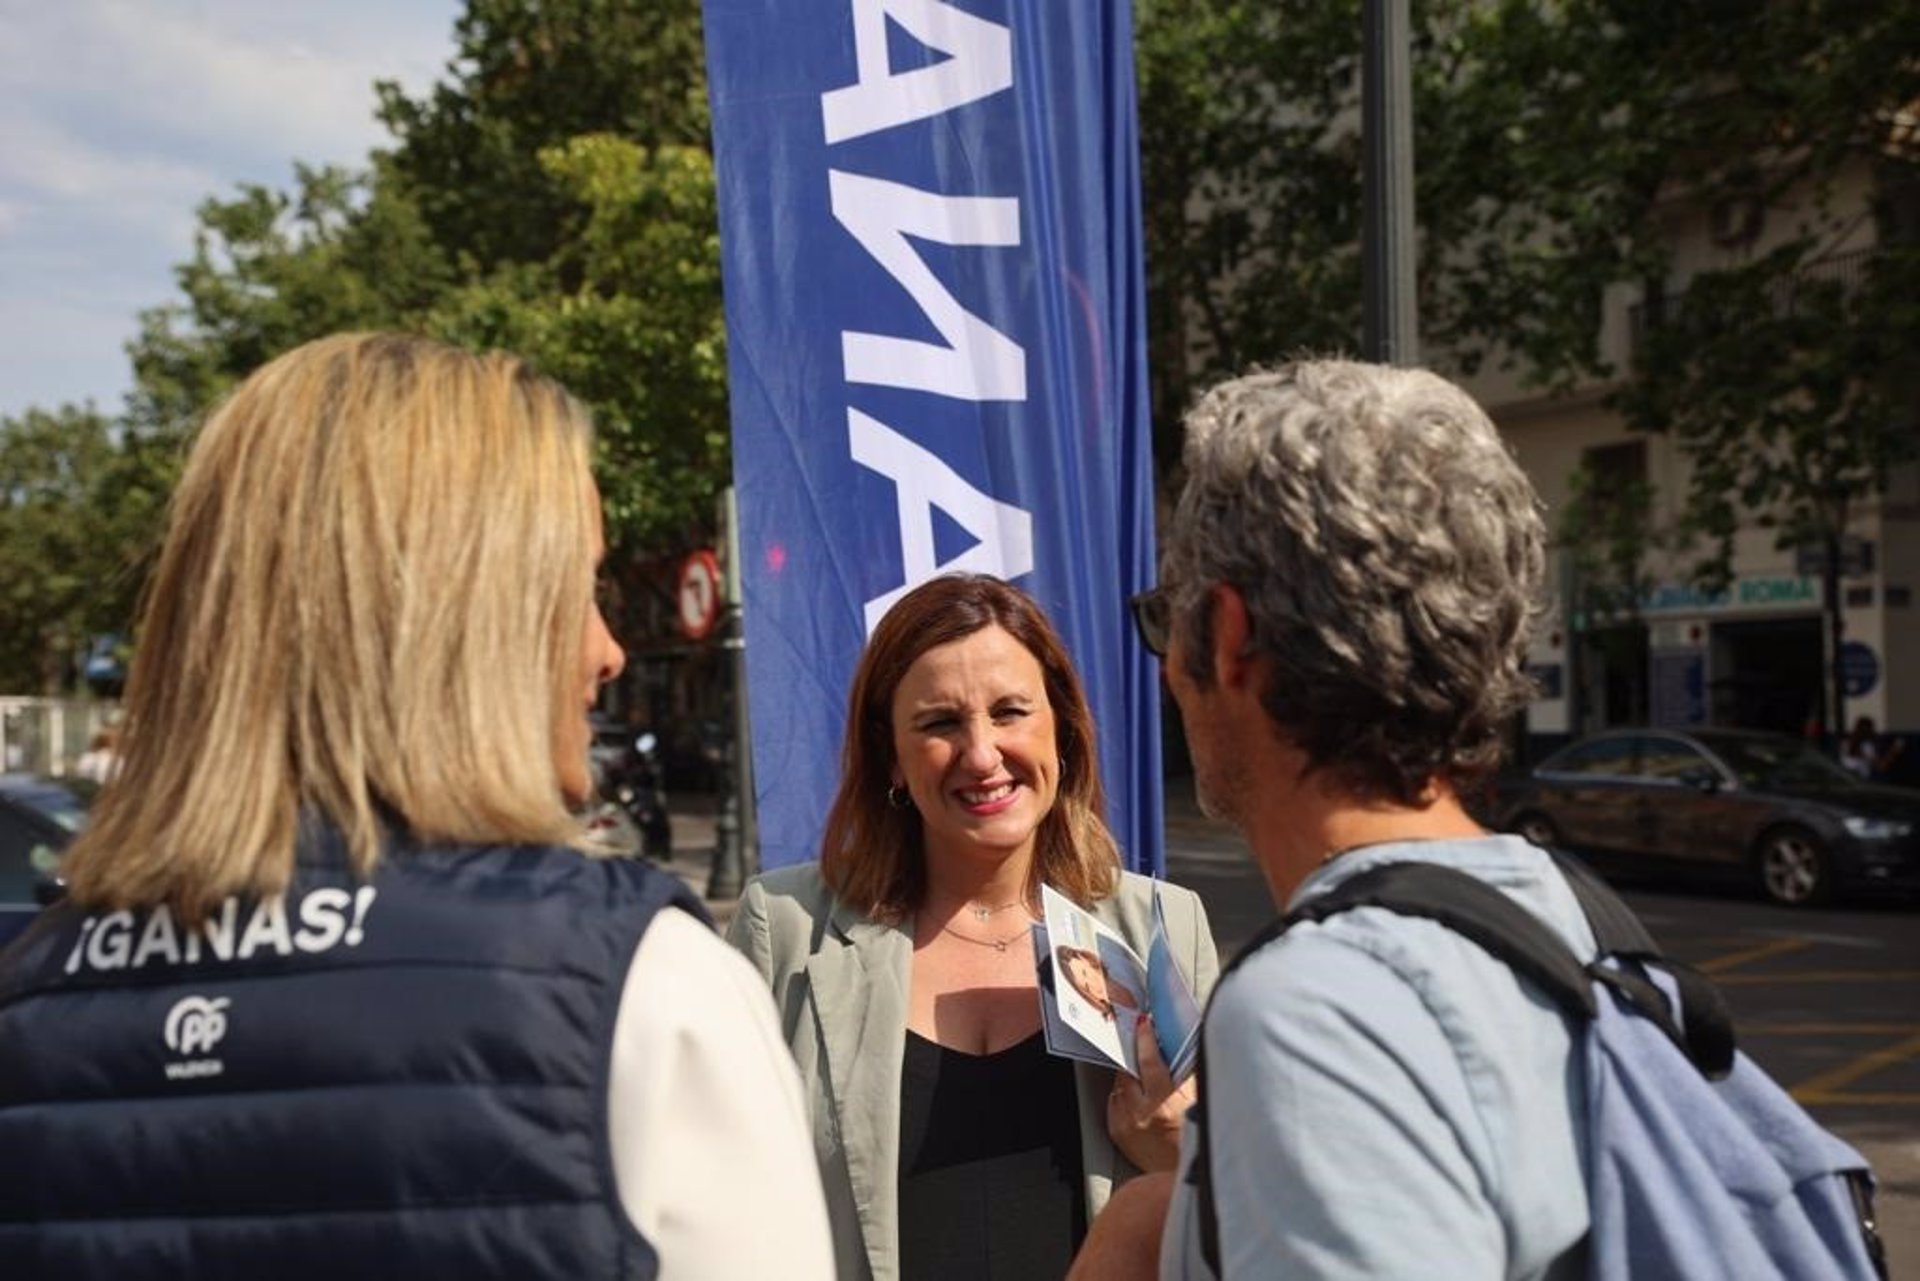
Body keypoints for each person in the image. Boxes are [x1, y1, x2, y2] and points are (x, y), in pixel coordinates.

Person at [0, 333, 834, 1281]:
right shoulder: (637, 980)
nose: (609, 651)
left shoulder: (31, 994)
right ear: (465, 618)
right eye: (579, 590)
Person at [1075, 360, 1595, 1280]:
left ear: (1229, 637)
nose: (1164, 670)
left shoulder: (1313, 1014)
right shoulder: (1576, 922)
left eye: (1167, 621)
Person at [726, 573, 1219, 1281]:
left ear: (1063, 728)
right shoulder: (785, 930)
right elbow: (721, 1198)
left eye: (1011, 711)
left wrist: (1180, 1152)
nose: (982, 754)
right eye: (940, 723)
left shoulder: (1163, 926)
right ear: (891, 754)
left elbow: (1252, 1218)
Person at [1056, 943, 1141, 1019]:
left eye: (1085, 973)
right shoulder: (1118, 1023)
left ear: (1089, 963)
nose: (1092, 983)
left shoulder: (1121, 965)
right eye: (1086, 986)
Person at [1840, 715, 1903, 782]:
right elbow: (1881, 766)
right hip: (1859, 781)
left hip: (1844, 778)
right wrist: (1895, 749)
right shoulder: (1866, 746)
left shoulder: (1845, 743)